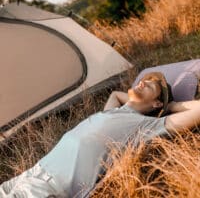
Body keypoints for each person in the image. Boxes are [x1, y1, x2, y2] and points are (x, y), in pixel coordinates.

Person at [0, 72, 200, 198]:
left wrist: (171, 106)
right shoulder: (113, 111)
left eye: (150, 86)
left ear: (156, 104)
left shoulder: (147, 126)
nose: (142, 83)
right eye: (143, 81)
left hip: (51, 188)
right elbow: (115, 95)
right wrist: (136, 98)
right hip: (32, 173)